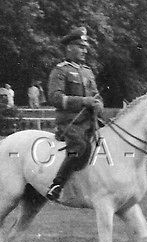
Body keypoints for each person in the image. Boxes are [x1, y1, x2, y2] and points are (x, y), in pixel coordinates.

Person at [46, 26, 103, 201]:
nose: (84, 50)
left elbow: (95, 94)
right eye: (80, 46)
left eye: (85, 47)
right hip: (70, 123)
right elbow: (55, 98)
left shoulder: (87, 71)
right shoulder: (60, 71)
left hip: (90, 122)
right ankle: (57, 185)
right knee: (79, 147)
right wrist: (82, 102)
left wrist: (98, 104)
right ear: (69, 47)